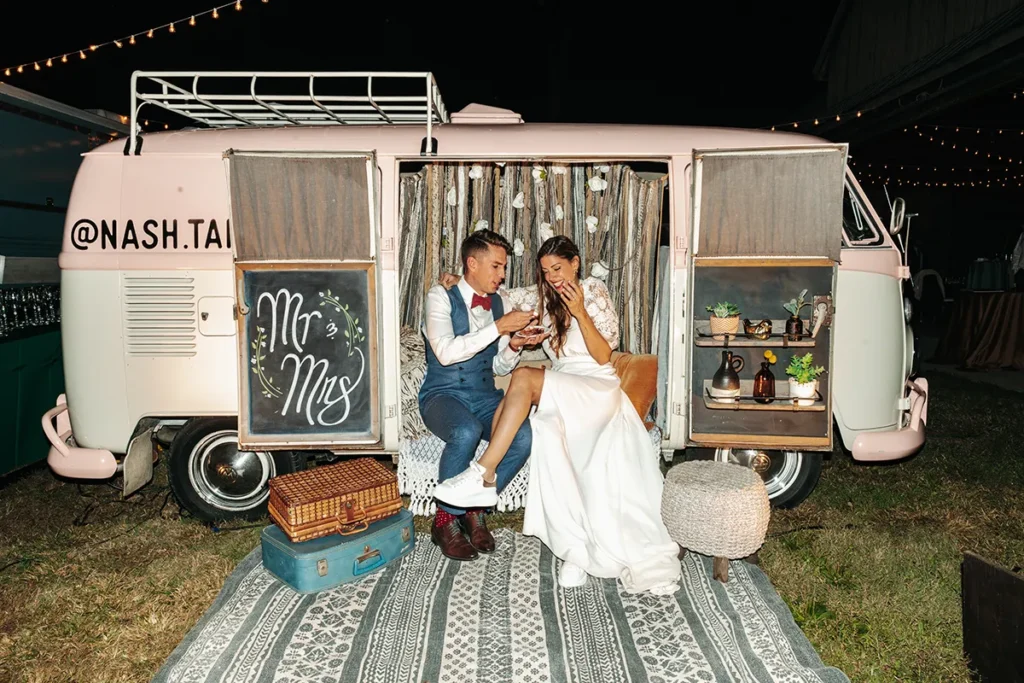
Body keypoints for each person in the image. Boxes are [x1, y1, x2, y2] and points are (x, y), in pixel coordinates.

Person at [433, 236, 681, 594]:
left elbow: (602, 356)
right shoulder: (542, 299)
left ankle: (482, 474)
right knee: (544, 428)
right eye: (546, 271)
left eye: (559, 269)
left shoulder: (593, 291)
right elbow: (497, 292)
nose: (553, 277)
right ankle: (575, 548)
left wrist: (580, 311)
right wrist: (455, 279)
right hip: (565, 387)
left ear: (576, 263)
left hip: (596, 386)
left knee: (523, 377)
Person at [418, 229, 547, 562]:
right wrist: (499, 327)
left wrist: (515, 345)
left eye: (504, 267)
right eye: (496, 267)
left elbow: (500, 366)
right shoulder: (440, 296)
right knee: (466, 431)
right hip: (442, 395)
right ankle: (445, 520)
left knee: (523, 436)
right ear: (471, 264)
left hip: (484, 394)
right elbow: (445, 353)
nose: (502, 275)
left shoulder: (499, 302)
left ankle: (474, 508)